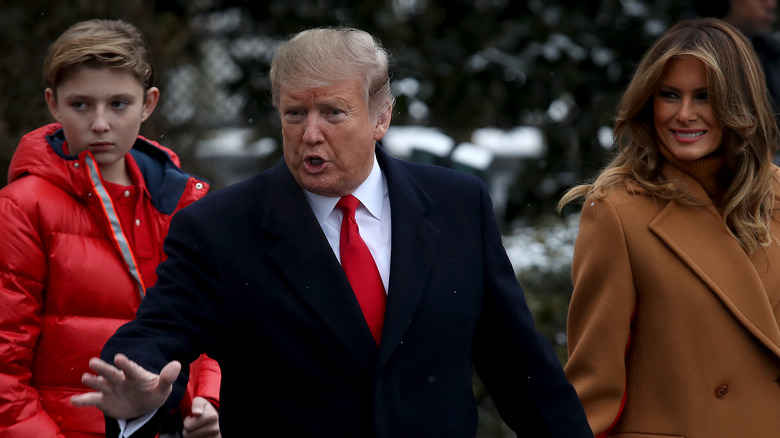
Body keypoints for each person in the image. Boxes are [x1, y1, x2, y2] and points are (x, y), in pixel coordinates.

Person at [69, 27, 593, 437]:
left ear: (381, 116)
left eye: (333, 113)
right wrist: (137, 383)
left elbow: (518, 365)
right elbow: (157, 334)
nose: (310, 133)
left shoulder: (458, 204)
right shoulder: (221, 228)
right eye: (295, 113)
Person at [558, 18, 780, 437]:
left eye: (705, 97)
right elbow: (594, 381)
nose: (684, 114)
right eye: (669, 95)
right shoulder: (618, 211)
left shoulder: (777, 195)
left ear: (740, 103)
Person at [0, 19, 221, 437]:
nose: (100, 123)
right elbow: (4, 369)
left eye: (119, 104)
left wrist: (207, 401)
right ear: (53, 103)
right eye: (80, 104)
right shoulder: (21, 207)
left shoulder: (184, 203)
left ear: (148, 103)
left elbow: (213, 327)